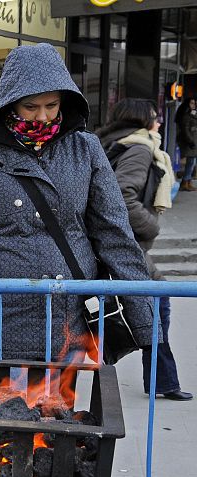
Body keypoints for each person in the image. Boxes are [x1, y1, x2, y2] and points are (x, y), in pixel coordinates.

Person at [0, 44, 158, 390]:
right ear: (9, 103)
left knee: (57, 429)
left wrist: (147, 326)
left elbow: (116, 236)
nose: (42, 117)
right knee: (9, 431)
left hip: (68, 322)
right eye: (31, 107)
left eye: (52, 105)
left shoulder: (86, 150)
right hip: (3, 327)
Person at [96, 99, 192, 401]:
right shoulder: (139, 148)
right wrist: (151, 225)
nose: (160, 123)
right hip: (128, 245)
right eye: (155, 117)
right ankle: (163, 381)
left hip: (118, 243)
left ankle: (162, 381)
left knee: (150, 306)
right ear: (142, 121)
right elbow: (123, 195)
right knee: (155, 308)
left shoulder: (113, 143)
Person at [175, 97, 197, 191]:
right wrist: (190, 141)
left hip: (193, 141)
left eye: (194, 103)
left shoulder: (192, 114)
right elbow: (185, 130)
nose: (193, 105)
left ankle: (188, 181)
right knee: (191, 162)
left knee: (192, 162)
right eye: (191, 103)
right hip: (189, 142)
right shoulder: (186, 116)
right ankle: (185, 182)